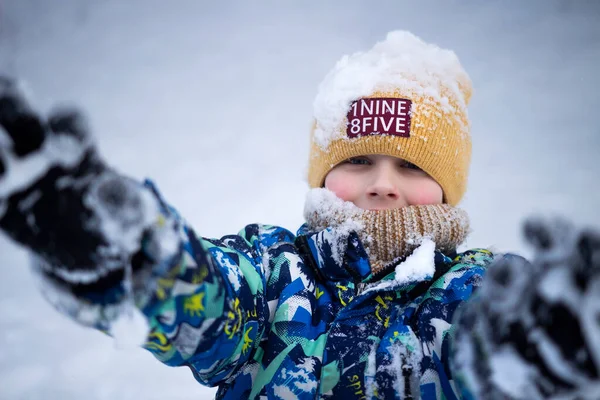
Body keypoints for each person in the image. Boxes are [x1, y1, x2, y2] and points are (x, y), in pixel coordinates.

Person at [0, 31, 599, 400]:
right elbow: (204, 296)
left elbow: (488, 353)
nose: (383, 185)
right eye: (358, 158)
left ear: (448, 190)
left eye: (413, 168)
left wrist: (541, 344)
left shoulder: (478, 289)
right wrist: (129, 258)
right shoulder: (273, 272)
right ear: (322, 174)